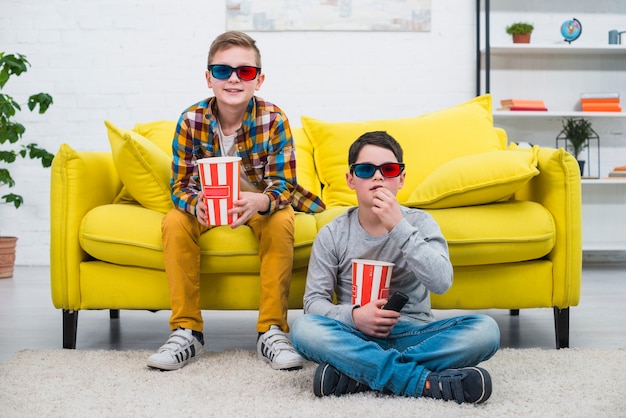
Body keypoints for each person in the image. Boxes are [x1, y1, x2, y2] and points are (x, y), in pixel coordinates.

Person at [147, 31, 324, 372]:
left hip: (257, 200)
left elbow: (283, 186)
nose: (233, 79)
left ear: (258, 80)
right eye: (223, 70)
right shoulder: (191, 120)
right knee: (173, 220)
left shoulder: (273, 119)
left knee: (282, 219)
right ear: (208, 77)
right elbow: (180, 185)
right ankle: (187, 331)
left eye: (244, 72)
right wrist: (193, 204)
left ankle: (271, 330)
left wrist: (260, 202)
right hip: (208, 202)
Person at [291, 131, 500, 404]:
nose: (378, 177)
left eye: (388, 170)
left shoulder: (421, 224)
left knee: (486, 330)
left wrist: (397, 226)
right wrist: (355, 317)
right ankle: (423, 381)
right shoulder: (333, 233)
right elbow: (313, 303)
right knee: (303, 328)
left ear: (401, 179)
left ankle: (357, 375)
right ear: (351, 179)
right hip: (355, 336)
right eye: (366, 170)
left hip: (416, 336)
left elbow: (442, 282)